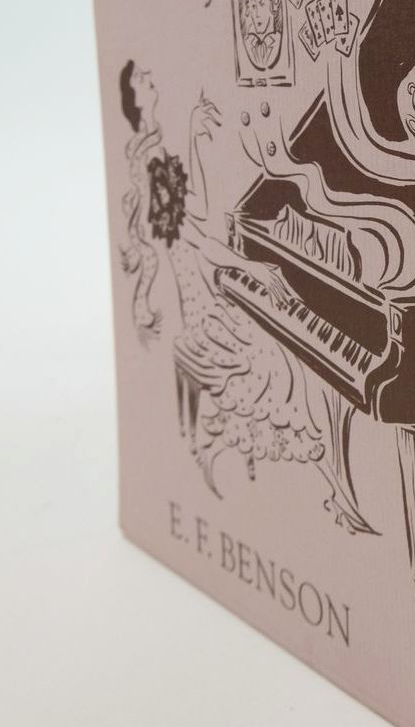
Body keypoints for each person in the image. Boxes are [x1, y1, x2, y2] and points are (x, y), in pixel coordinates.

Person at [117, 59, 373, 531]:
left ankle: (336, 484)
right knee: (280, 357)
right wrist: (252, 265)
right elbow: (198, 240)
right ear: (135, 99)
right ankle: (330, 486)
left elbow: (197, 209)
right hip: (199, 301)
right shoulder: (146, 161)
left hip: (204, 281)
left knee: (289, 349)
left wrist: (193, 138)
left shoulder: (155, 149)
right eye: (141, 80)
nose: (150, 79)